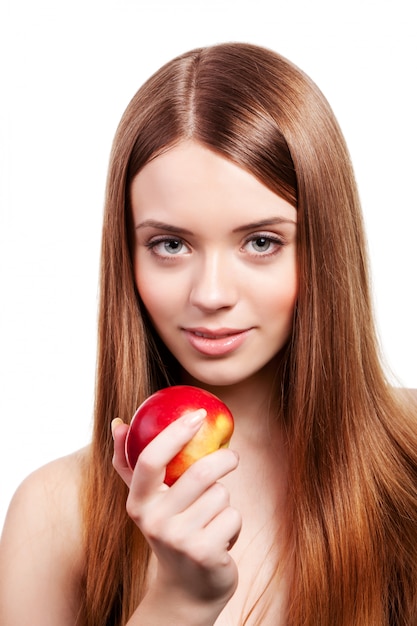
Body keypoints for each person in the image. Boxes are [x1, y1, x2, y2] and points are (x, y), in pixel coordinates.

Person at [0, 42, 416, 626]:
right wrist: (177, 604)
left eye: (261, 242)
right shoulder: (54, 516)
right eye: (170, 244)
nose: (211, 293)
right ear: (129, 255)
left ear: (324, 246)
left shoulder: (411, 461)